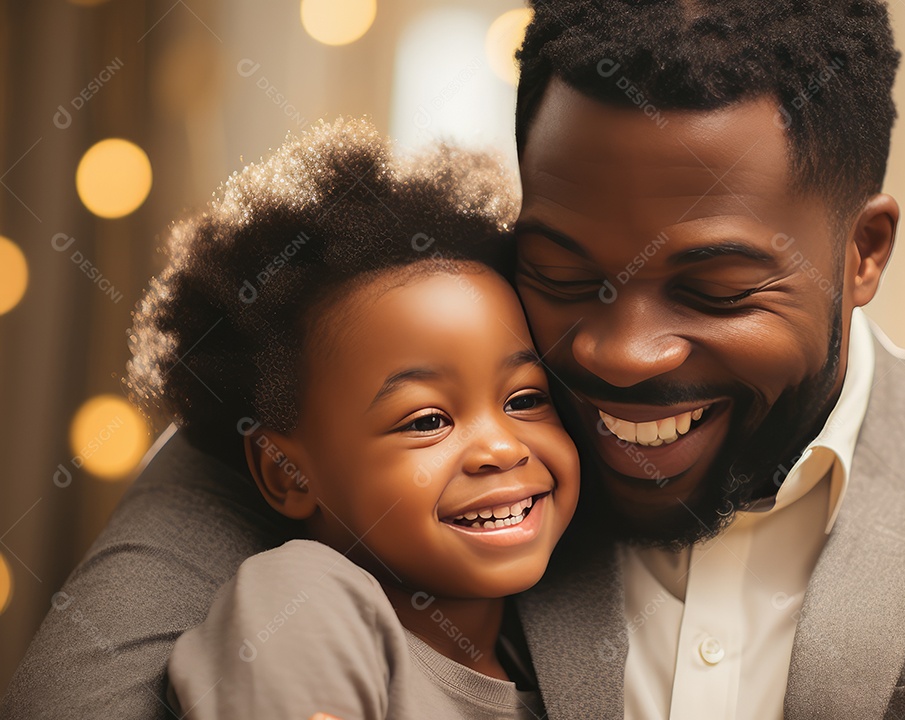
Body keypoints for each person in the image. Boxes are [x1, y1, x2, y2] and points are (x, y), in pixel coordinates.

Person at [4, 1, 905, 718]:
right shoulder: (330, 403)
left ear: (864, 252)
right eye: (565, 271)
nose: (620, 350)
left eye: (713, 288)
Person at [126, 117, 578, 719]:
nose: (500, 447)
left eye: (524, 399)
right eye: (425, 421)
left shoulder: (543, 666)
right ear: (287, 473)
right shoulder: (308, 600)